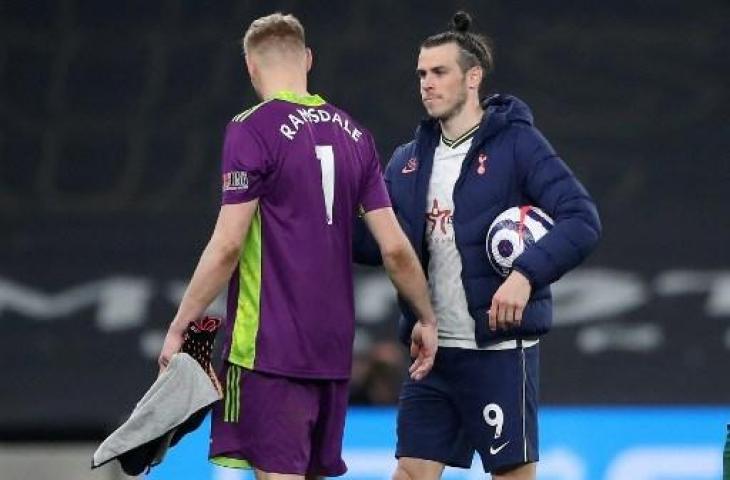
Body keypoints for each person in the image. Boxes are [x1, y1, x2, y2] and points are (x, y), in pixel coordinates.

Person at [157, 12, 438, 480]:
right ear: (308, 59)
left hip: (269, 351)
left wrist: (180, 326)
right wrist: (427, 316)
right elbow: (395, 249)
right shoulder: (356, 136)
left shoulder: (251, 128)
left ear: (250, 66)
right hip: (332, 354)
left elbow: (227, 245)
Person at [353, 11, 601, 480]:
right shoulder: (408, 161)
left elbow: (581, 219)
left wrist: (525, 275)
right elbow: (380, 245)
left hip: (501, 354)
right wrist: (314, 217)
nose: (427, 83)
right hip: (434, 355)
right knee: (409, 473)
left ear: (473, 77)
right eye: (422, 74)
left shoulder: (517, 145)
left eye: (439, 72)